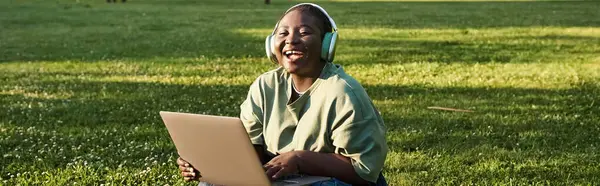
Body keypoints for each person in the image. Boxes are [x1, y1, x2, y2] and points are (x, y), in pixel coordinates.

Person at [177, 3, 388, 185]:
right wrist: (207, 162)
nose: (291, 40)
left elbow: (364, 172)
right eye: (283, 33)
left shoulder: (343, 92)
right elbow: (252, 152)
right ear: (272, 44)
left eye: (304, 32)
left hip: (334, 180)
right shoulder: (265, 85)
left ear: (327, 44)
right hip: (285, 178)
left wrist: (299, 159)